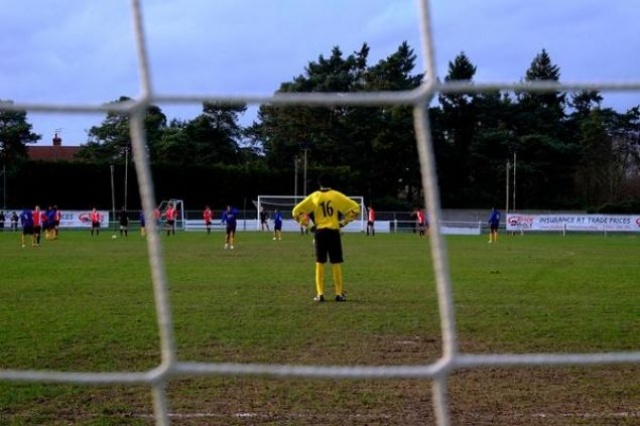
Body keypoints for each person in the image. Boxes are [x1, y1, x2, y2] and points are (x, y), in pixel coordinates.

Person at [292, 173, 360, 302]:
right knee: (336, 262)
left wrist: (310, 226)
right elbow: (355, 208)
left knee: (320, 262)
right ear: (331, 183)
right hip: (334, 232)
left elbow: (296, 211)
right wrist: (343, 222)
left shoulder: (315, 196)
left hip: (320, 233)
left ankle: (320, 294)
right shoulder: (336, 195)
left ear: (319, 183)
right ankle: (339, 294)